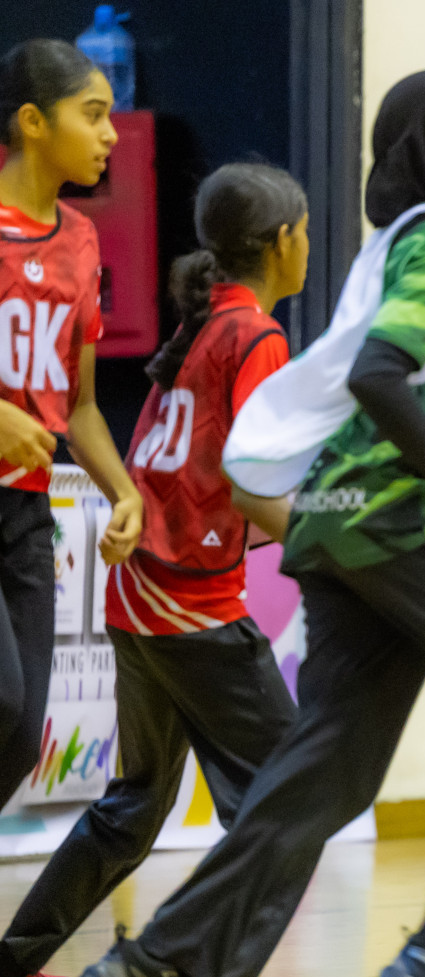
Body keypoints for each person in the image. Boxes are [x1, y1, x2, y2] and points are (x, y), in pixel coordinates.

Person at [76, 69, 425, 977]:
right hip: (405, 523)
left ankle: (158, 963)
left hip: (334, 522)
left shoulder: (387, 246)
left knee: (328, 767)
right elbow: (383, 375)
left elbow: (386, 375)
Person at [0, 162, 308, 977]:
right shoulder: (254, 338)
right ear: (285, 242)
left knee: (135, 804)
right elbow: (256, 483)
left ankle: (13, 965)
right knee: (288, 800)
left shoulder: (199, 328)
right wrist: (338, 546)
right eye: (309, 228)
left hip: (133, 598)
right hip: (191, 607)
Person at [0, 40, 141, 812]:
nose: (110, 134)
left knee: (22, 736)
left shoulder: (82, 241)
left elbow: (79, 404)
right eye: (92, 115)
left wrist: (123, 491)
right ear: (31, 121)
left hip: (27, 513)